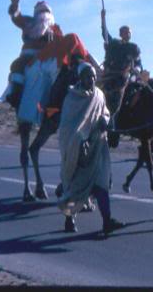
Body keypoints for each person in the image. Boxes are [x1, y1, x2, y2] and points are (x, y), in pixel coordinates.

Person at [57, 62, 125, 236]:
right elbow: (67, 128)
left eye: (93, 76)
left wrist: (105, 119)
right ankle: (69, 218)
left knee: (101, 185)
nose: (91, 79)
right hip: (79, 151)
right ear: (80, 77)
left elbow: (106, 112)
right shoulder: (72, 98)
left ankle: (107, 221)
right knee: (76, 188)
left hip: (98, 148)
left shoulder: (99, 95)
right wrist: (80, 141)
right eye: (87, 76)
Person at [3, 0, 60, 109]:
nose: (43, 15)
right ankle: (16, 94)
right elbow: (17, 17)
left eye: (46, 12)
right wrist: (15, 6)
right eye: (41, 12)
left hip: (46, 57)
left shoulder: (55, 29)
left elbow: (61, 42)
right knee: (17, 65)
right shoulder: (29, 22)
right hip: (27, 56)